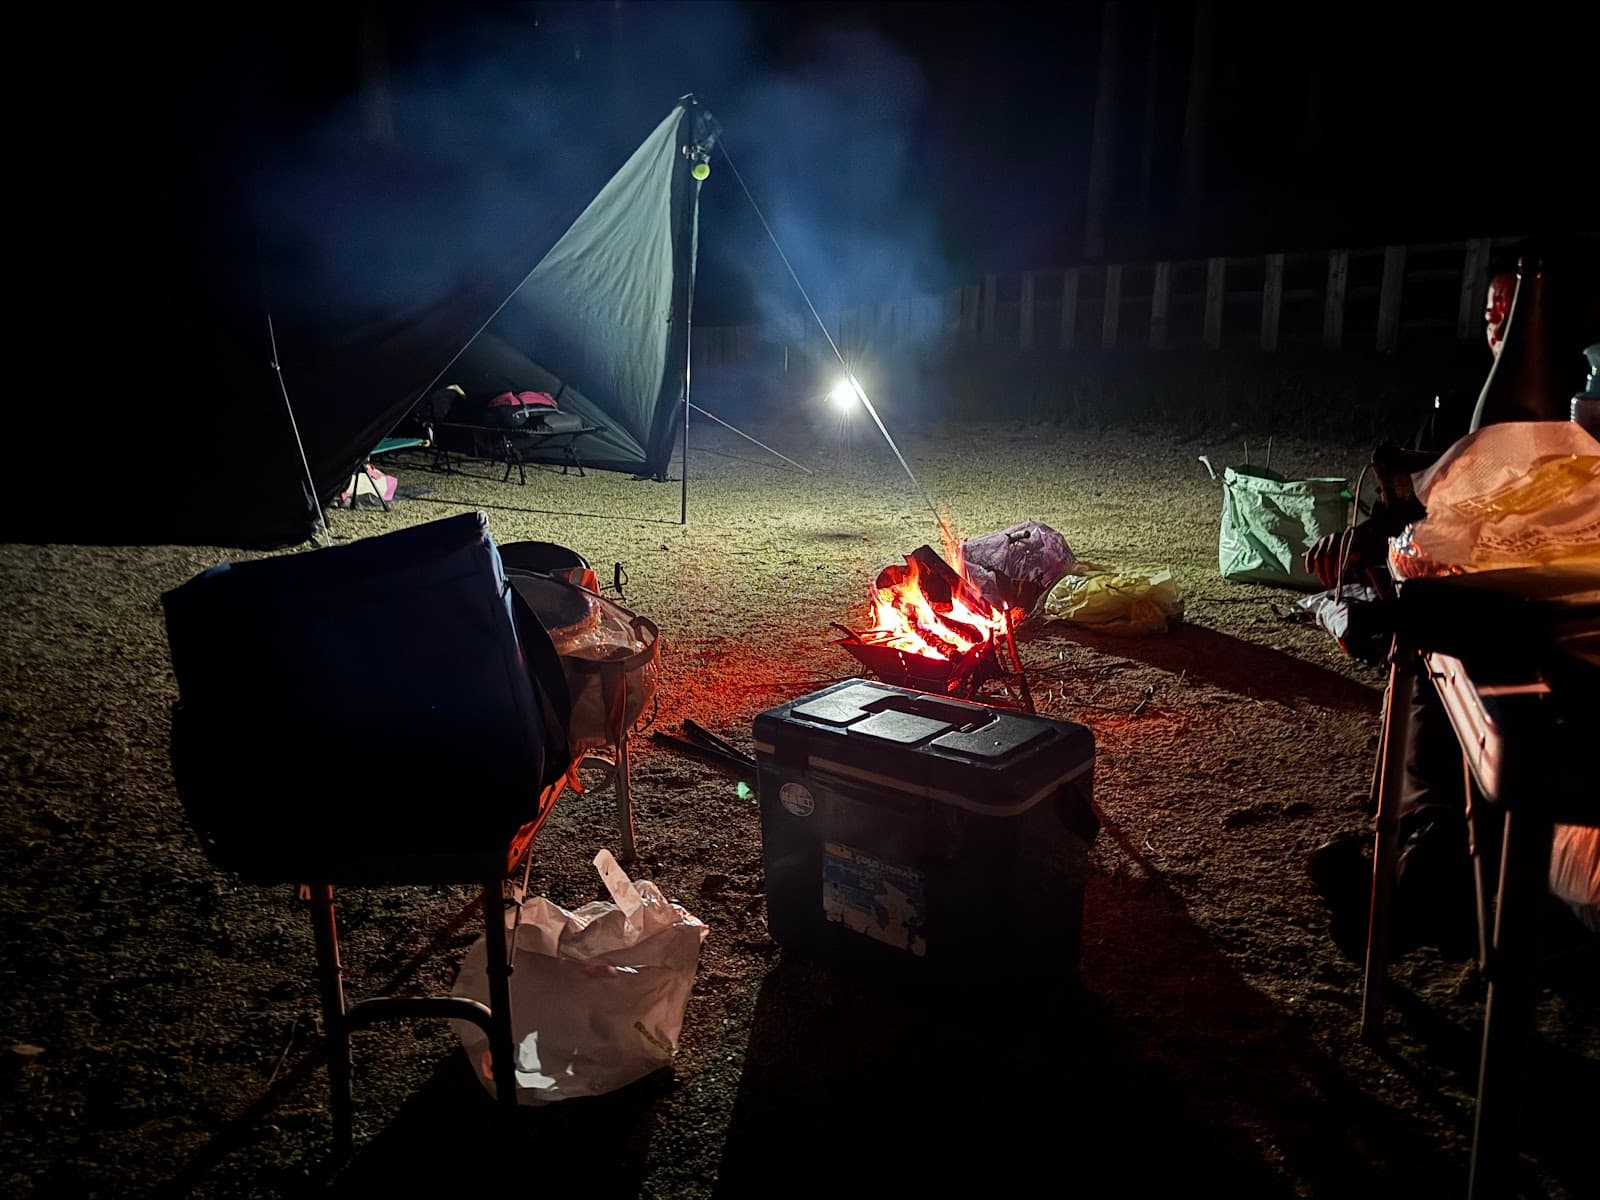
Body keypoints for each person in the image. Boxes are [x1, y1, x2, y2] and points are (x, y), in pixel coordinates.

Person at [1303, 240, 1592, 957]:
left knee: (1451, 661)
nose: (1501, 321)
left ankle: (1426, 866)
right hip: (1489, 599)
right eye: (1495, 309)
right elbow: (1414, 516)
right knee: (1438, 656)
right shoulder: (1465, 410)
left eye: (1517, 308)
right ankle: (1426, 857)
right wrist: (1361, 544)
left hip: (1549, 622)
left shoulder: (1574, 423)